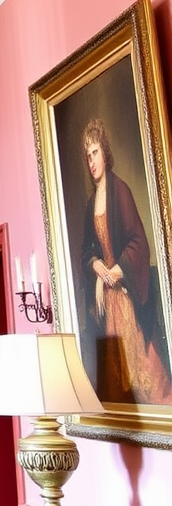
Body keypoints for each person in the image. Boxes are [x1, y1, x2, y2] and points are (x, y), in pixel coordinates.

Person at [80, 117, 172, 405]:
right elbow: (85, 251)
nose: (91, 160)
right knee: (118, 380)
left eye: (94, 152)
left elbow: (138, 243)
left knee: (145, 374)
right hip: (106, 298)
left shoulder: (121, 191)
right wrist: (96, 269)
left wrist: (116, 272)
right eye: (87, 156)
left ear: (105, 153)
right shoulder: (89, 204)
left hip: (125, 292)